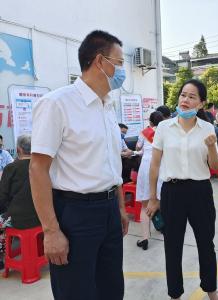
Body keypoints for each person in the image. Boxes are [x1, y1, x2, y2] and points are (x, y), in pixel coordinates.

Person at [30, 30, 128, 300]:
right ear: (100, 61)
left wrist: (119, 206)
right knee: (76, 292)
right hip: (75, 214)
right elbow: (37, 169)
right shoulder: (57, 104)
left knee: (111, 289)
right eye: (119, 63)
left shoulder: (107, 105)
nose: (122, 71)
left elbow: (110, 162)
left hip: (108, 211)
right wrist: (51, 231)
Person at [146, 79, 218, 300]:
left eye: (192, 97)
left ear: (201, 103)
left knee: (206, 243)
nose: (185, 100)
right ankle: (175, 294)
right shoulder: (164, 127)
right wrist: (153, 197)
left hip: (200, 192)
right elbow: (155, 164)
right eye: (183, 95)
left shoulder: (208, 129)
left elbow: (215, 166)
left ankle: (211, 289)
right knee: (173, 245)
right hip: (172, 192)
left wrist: (211, 147)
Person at [0, 135, 40, 270]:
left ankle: (2, 260)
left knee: (1, 220)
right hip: (41, 217)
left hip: (18, 220)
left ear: (18, 149)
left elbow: (2, 197)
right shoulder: (41, 165)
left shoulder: (11, 168)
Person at [135, 111, 164, 250]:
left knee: (145, 205)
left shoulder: (144, 132)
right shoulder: (165, 131)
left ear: (150, 122)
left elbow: (138, 148)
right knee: (161, 199)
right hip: (162, 166)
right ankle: (163, 227)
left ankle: (145, 238)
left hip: (146, 167)